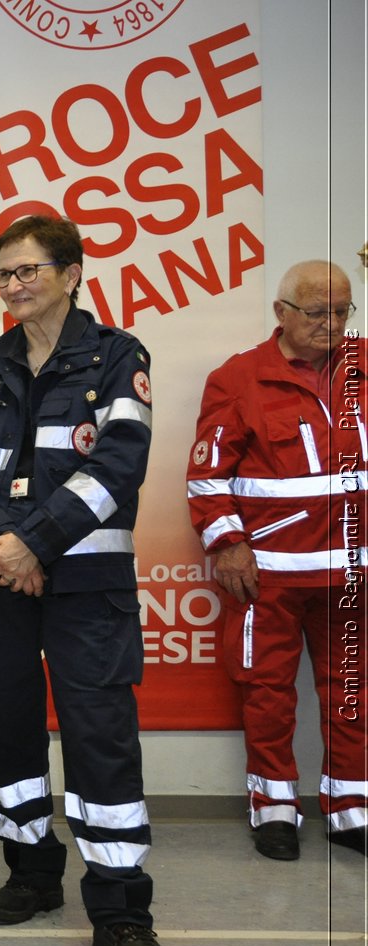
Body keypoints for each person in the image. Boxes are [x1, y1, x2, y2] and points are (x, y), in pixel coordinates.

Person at [0, 214, 178, 946]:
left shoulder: (116, 356)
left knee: (101, 737)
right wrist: (9, 545)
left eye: (27, 271)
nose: (11, 286)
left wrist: (32, 540)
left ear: (72, 273)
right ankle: (33, 871)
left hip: (82, 587)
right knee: (9, 738)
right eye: (2, 274)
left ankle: (121, 912)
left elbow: (118, 465)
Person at [186, 260, 365, 859]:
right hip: (270, 575)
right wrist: (228, 545)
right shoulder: (239, 379)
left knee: (352, 690)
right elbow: (208, 478)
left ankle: (350, 808)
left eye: (343, 312)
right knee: (267, 691)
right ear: (282, 314)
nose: (333, 325)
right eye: (318, 313)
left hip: (352, 573)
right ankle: (274, 808)